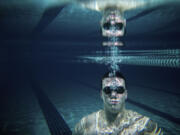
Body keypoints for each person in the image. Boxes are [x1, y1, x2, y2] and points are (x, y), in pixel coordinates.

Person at [72, 71, 163, 135]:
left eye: (119, 90)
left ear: (126, 94)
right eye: (108, 90)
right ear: (101, 94)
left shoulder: (144, 125)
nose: (113, 95)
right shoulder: (85, 125)